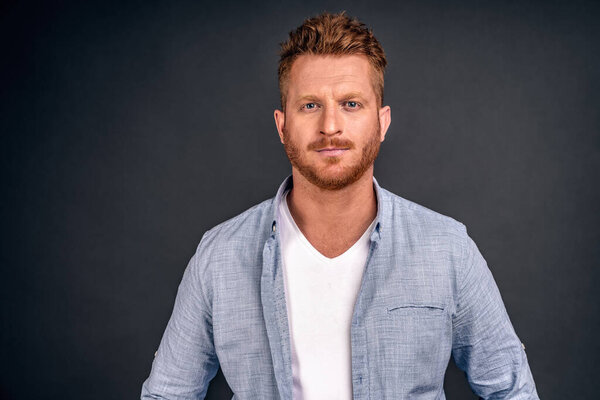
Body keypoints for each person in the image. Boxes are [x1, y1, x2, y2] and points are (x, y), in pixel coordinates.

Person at [141, 12, 539, 400]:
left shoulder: (448, 249)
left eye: (351, 104)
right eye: (310, 105)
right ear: (282, 126)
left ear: (382, 123)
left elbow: (513, 390)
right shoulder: (219, 256)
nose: (330, 126)